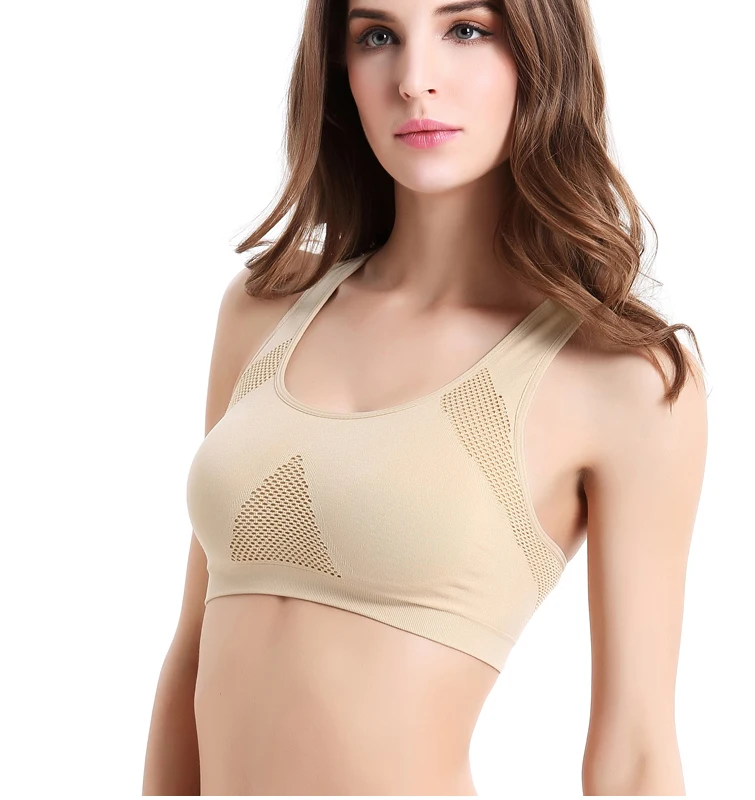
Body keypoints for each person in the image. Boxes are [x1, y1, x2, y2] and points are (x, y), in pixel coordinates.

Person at [142, 0, 708, 795]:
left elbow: (637, 752)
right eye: (377, 36)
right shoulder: (264, 309)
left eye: (465, 30)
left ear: (543, 53)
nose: (414, 81)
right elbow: (192, 653)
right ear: (338, 70)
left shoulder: (618, 376)